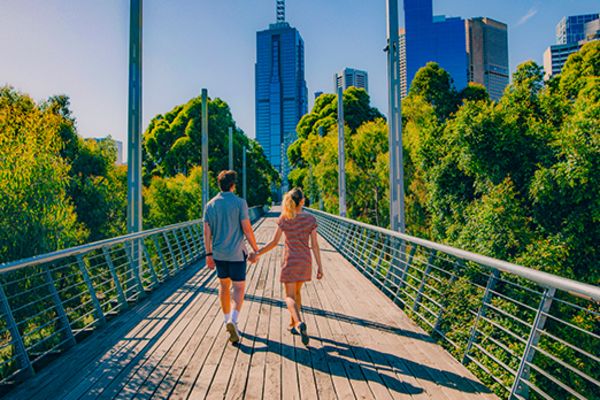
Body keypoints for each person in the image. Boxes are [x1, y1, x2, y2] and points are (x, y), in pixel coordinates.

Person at [256, 188, 324, 345]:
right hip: (305, 261)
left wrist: (258, 252)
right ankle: (292, 324)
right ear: (301, 202)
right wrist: (320, 267)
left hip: (290, 261)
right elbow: (314, 245)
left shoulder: (284, 219)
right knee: (297, 293)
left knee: (289, 297)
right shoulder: (310, 220)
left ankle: (299, 322)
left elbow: (274, 242)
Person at [203, 170, 259, 344]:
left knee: (224, 286)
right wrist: (255, 249)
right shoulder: (240, 203)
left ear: (219, 185)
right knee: (239, 287)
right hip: (236, 253)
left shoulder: (210, 205)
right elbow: (247, 229)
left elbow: (206, 232)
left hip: (219, 254)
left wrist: (208, 254)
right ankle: (233, 320)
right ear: (233, 185)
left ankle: (226, 318)